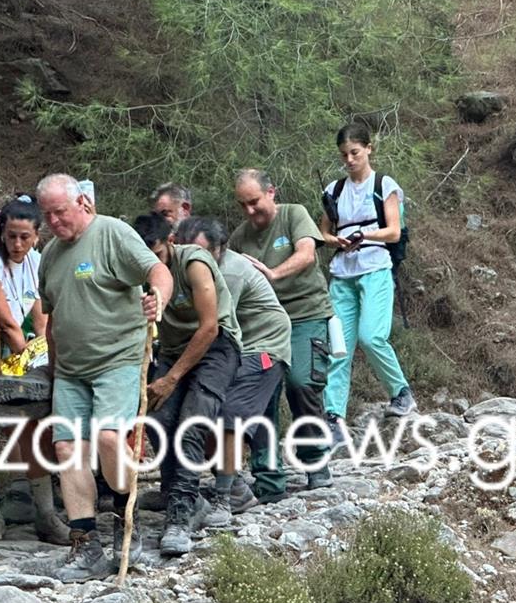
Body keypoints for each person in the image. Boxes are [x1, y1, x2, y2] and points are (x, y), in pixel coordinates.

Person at [36, 174, 173, 582]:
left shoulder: (112, 233)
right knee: (66, 449)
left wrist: (157, 298)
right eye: (48, 215)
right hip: (71, 371)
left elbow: (157, 271)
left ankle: (124, 524)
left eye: (60, 212)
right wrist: (53, 367)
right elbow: (53, 316)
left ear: (82, 203)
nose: (55, 221)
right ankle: (85, 543)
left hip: (118, 359)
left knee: (110, 437)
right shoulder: (50, 254)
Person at [0, 194, 70, 544]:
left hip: (21, 354)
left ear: (37, 236)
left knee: (32, 422)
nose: (18, 243)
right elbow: (1, 321)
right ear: (2, 234)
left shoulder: (38, 262)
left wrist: (41, 356)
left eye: (25, 237)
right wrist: (1, 369)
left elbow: (41, 317)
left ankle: (44, 512)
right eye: (11, 235)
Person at [133, 213, 241, 554]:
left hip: (215, 346)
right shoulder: (136, 272)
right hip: (172, 350)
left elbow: (209, 327)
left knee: (192, 423)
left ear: (170, 243)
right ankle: (184, 497)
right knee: (159, 419)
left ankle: (179, 518)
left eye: (157, 254)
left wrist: (172, 378)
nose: (153, 263)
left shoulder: (194, 263)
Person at [173, 216, 291, 526]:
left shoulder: (230, 273)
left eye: (201, 251)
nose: (193, 257)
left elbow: (212, 326)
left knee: (226, 414)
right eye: (186, 250)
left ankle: (226, 497)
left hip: (261, 345)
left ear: (220, 248)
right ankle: (228, 484)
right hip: (230, 343)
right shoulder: (187, 268)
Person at [229, 169, 334, 501]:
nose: (249, 211)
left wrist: (272, 274)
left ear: (271, 192)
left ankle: (316, 460)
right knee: (261, 396)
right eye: (242, 205)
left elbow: (307, 254)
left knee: (302, 383)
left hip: (305, 314)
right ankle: (268, 478)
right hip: (261, 327)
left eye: (255, 202)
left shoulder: (294, 215)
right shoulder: (239, 238)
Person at [318, 123, 417, 434]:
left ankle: (401, 392)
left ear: (369, 148)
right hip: (342, 272)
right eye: (344, 154)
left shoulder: (383, 185)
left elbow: (394, 230)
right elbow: (323, 230)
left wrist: (366, 235)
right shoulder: (333, 191)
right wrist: (334, 241)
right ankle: (332, 416)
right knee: (338, 347)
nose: (349, 159)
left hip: (375, 267)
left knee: (372, 336)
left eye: (355, 152)